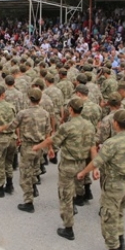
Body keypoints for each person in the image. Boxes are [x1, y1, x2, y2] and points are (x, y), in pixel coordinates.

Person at [76, 110, 125, 250]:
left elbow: (97, 162)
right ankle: (120, 240)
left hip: (115, 185)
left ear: (115, 123)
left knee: (108, 216)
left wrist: (83, 172)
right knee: (120, 212)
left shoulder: (112, 142)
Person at [31, 98, 96, 240]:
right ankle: (73, 208)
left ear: (71, 110)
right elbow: (93, 146)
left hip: (68, 164)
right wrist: (95, 165)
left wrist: (38, 146)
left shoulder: (67, 126)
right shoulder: (89, 125)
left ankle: (68, 228)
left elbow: (52, 140)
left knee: (65, 195)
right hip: (82, 164)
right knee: (74, 189)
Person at [0, 88, 52, 213]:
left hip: (28, 146)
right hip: (40, 146)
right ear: (40, 99)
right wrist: (49, 148)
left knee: (25, 174)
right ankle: (33, 187)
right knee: (34, 169)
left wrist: (2, 128)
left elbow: (12, 125)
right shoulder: (45, 113)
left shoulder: (23, 113)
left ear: (29, 98)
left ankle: (28, 202)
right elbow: (48, 131)